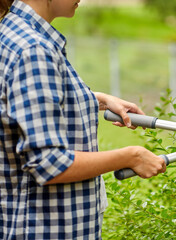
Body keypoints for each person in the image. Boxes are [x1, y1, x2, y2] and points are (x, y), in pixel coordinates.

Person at [0, 0, 166, 239]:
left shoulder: (14, 32)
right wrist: (131, 156)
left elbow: (21, 104)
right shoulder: (34, 50)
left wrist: (95, 99)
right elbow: (48, 163)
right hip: (44, 229)